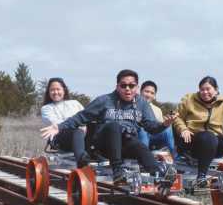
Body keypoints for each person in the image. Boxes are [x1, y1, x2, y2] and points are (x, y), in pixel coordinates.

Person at [40, 69, 177, 185]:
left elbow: (151, 127)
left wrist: (164, 124)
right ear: (117, 86)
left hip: (124, 142)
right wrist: (59, 127)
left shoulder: (141, 103)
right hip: (102, 145)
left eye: (131, 85)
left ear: (136, 87)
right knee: (114, 126)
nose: (127, 89)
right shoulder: (105, 100)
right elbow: (81, 117)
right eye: (123, 86)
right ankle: (117, 171)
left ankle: (158, 174)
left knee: (138, 144)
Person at [40, 77, 91, 168]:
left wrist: (84, 125)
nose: (55, 92)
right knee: (77, 131)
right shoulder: (46, 108)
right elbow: (57, 124)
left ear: (64, 90)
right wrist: (79, 125)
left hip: (83, 134)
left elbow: (86, 117)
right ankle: (81, 162)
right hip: (61, 138)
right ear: (48, 92)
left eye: (58, 89)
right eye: (52, 90)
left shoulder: (74, 103)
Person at [137, 80, 176, 157]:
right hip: (139, 135)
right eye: (146, 91)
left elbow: (160, 127)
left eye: (152, 93)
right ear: (140, 92)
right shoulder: (134, 104)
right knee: (143, 130)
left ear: (154, 96)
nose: (148, 95)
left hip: (153, 136)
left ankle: (172, 157)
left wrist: (166, 122)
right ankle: (144, 158)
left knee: (168, 128)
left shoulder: (157, 109)